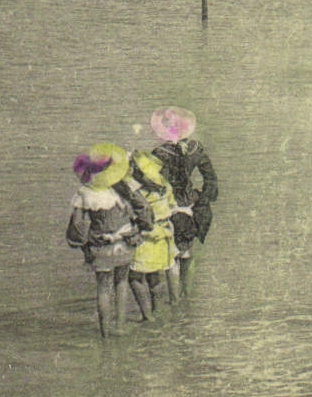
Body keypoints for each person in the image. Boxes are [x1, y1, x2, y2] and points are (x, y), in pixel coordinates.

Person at [65, 147, 139, 338]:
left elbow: (78, 225)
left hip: (101, 245)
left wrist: (84, 245)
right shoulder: (118, 190)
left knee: (103, 289)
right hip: (123, 242)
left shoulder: (85, 193)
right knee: (122, 283)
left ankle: (105, 333)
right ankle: (121, 326)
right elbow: (133, 213)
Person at [149, 106, 217, 297]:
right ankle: (187, 295)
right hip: (190, 206)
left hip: (168, 207)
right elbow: (211, 179)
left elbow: (152, 182)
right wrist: (201, 200)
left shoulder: (159, 153)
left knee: (171, 257)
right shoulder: (196, 148)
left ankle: (174, 300)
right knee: (186, 253)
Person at [121, 149, 178, 317]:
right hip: (163, 234)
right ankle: (158, 310)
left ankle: (148, 315)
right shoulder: (165, 186)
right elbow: (172, 207)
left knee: (135, 277)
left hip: (146, 237)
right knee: (155, 277)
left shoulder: (138, 193)